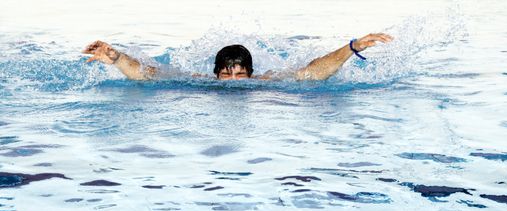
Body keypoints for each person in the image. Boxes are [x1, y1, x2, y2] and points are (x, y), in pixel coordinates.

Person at [82, 33, 392, 81]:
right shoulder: (199, 83)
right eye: (226, 75)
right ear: (215, 74)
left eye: (240, 75)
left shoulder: (267, 83)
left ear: (252, 74)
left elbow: (311, 71)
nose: (232, 83)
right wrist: (118, 58)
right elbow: (149, 74)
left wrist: (352, 48)